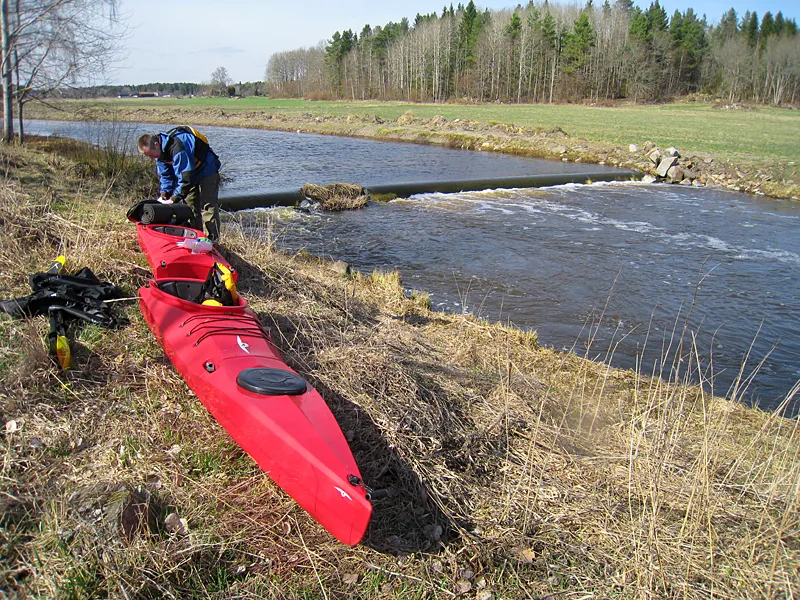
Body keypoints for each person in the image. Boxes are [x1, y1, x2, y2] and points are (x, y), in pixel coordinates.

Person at [138, 127, 222, 241]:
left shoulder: (177, 147)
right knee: (190, 206)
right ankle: (196, 237)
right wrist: (165, 193)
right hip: (190, 171)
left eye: (152, 155)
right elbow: (166, 176)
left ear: (156, 144)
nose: (152, 159)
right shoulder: (160, 154)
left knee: (208, 205)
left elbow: (185, 178)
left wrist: (175, 198)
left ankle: (213, 240)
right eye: (149, 157)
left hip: (207, 169)